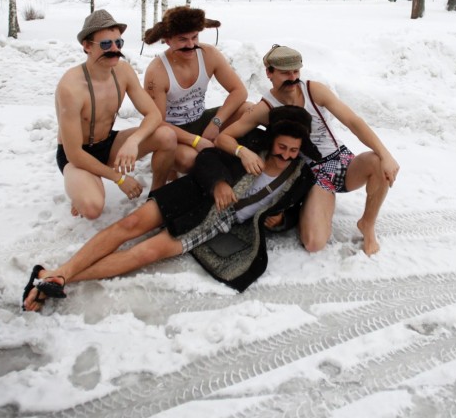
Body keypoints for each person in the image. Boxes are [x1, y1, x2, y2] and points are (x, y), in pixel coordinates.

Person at [22, 106, 317, 310]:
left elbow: (296, 209)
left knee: (146, 253)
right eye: (282, 147)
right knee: (129, 226)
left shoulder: (301, 174)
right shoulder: (252, 143)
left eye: (293, 150)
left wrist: (282, 221)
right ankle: (60, 274)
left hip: (216, 221)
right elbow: (208, 159)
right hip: (194, 192)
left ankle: (56, 276)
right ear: (273, 139)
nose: (286, 155)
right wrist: (219, 184)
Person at [216, 44, 399, 256]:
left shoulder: (314, 90)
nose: (293, 77)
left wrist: (386, 155)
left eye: (296, 71)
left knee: (380, 163)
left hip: (341, 162)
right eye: (285, 73)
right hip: (310, 176)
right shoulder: (266, 107)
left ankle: (367, 224)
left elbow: (353, 121)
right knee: (314, 243)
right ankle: (307, 209)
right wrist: (243, 152)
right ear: (270, 73)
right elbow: (224, 137)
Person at [55, 9, 176, 220]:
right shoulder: (70, 87)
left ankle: (156, 196)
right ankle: (82, 186)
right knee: (92, 208)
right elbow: (73, 153)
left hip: (107, 144)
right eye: (105, 44)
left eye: (118, 43)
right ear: (86, 46)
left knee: (166, 135)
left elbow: (153, 114)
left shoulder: (123, 71)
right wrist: (119, 178)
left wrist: (134, 141)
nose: (114, 49)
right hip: (76, 156)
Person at [143, 6, 251, 174]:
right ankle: (171, 162)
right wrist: (195, 141)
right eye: (183, 40)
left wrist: (216, 122)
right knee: (190, 160)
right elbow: (156, 122)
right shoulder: (156, 72)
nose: (191, 44)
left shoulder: (209, 54)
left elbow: (239, 91)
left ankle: (229, 151)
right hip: (173, 131)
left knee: (249, 110)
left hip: (201, 119)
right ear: (168, 40)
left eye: (195, 37)